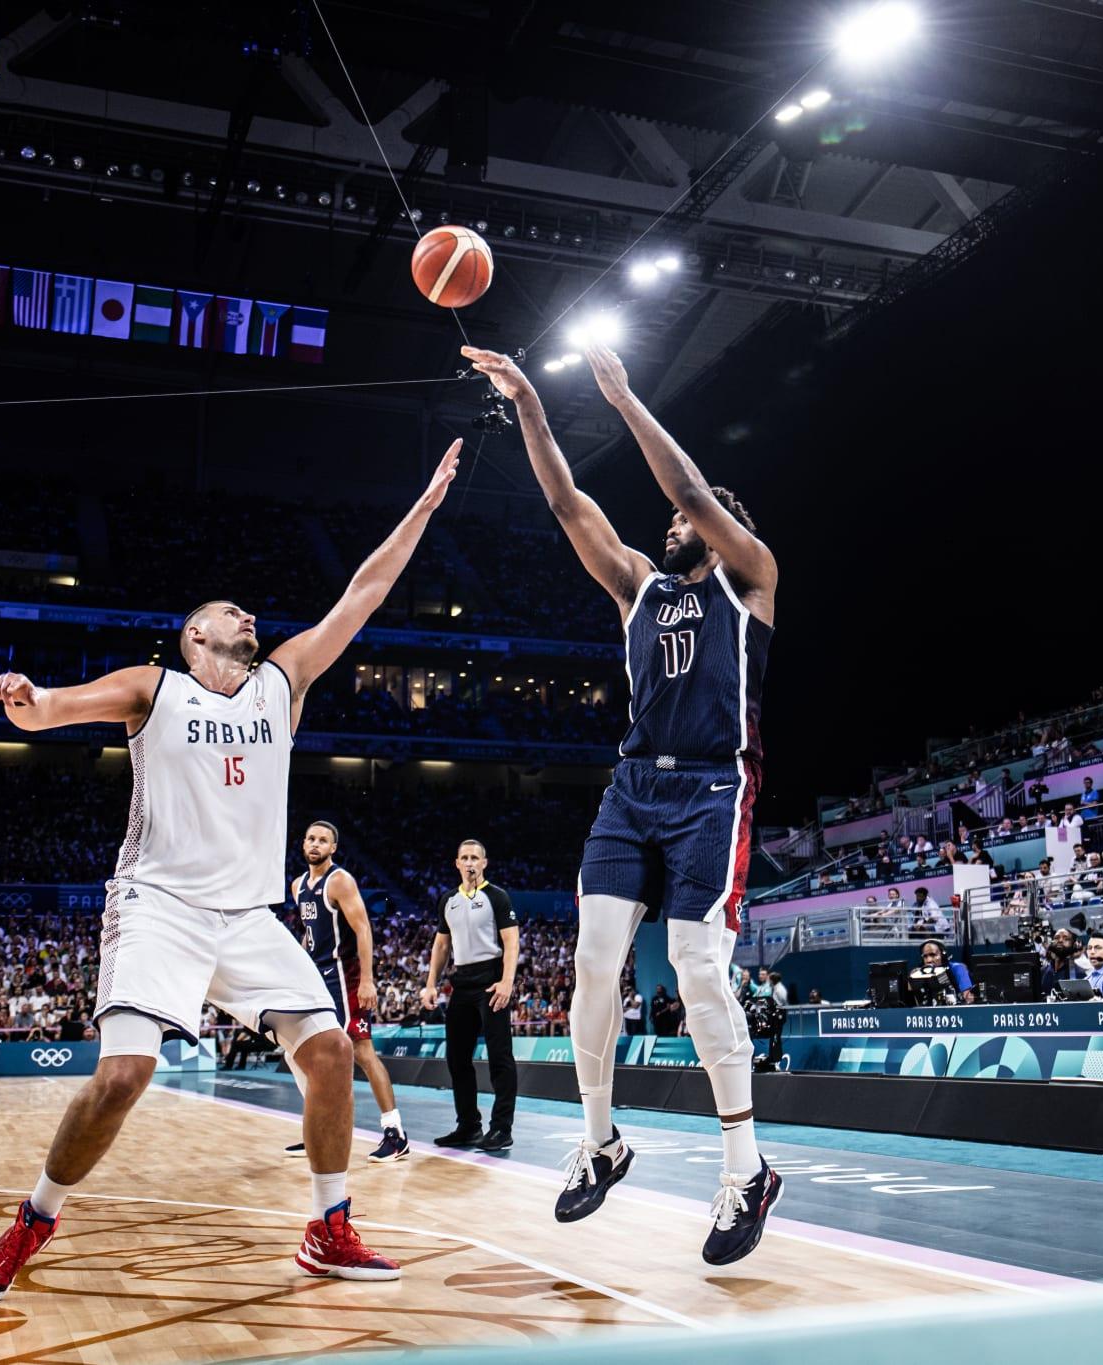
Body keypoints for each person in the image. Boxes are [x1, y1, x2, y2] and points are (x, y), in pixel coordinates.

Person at [0, 444, 458, 1303]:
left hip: (247, 915)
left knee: (332, 1050)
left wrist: (426, 502)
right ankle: (34, 1220)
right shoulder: (153, 688)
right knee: (124, 1075)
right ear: (195, 635)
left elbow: (362, 595)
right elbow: (52, 709)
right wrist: (22, 697)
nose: (249, 617)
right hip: (160, 906)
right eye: (232, 611)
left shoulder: (282, 683)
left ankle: (328, 1225)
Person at [464, 342, 782, 1265]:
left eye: (689, 520)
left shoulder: (748, 577)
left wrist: (626, 397)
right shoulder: (638, 589)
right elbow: (567, 502)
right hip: (634, 787)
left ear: (719, 527)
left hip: (714, 786)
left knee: (694, 963)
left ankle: (746, 1170)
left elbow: (688, 494)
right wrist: (529, 400)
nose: (671, 525)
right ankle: (601, 1142)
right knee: (595, 961)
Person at [282, 821, 409, 1165]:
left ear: (333, 848)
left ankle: (395, 1133)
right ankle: (318, 1128)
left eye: (323, 840)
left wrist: (368, 979)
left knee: (362, 1051)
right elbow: (311, 935)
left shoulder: (339, 881)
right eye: (311, 838)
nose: (315, 843)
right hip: (316, 977)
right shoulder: (297, 886)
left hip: (346, 976)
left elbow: (363, 928)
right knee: (296, 1051)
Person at [421, 840, 520, 1151]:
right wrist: (430, 983)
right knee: (457, 1059)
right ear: (457, 863)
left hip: (491, 981)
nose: (469, 862)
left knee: (499, 1057)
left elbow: (511, 942)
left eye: (475, 857)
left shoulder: (497, 896)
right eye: (464, 857)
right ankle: (468, 1127)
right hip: (461, 982)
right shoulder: (448, 900)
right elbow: (441, 945)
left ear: (484, 863)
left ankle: (502, 1129)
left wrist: (507, 982)